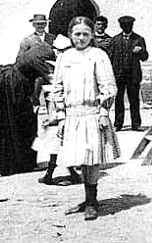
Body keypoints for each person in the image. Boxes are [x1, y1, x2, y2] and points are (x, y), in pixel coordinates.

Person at [54, 16, 120, 221]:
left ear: (92, 35)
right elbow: (57, 87)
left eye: (85, 34)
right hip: (73, 115)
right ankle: (87, 198)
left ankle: (92, 202)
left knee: (91, 159)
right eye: (77, 34)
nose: (81, 38)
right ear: (70, 35)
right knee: (80, 158)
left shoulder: (98, 55)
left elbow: (108, 86)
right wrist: (61, 116)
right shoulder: (64, 57)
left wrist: (103, 112)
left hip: (92, 114)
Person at [0, 42, 54, 176]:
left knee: (3, 119)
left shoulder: (40, 48)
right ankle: (21, 163)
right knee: (23, 121)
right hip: (15, 85)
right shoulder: (46, 56)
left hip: (5, 80)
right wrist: (35, 102)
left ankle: (2, 160)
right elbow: (42, 80)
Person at [109, 16, 149, 131]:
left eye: (129, 25)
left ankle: (136, 124)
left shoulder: (139, 39)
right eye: (124, 25)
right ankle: (118, 124)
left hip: (133, 75)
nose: (127, 27)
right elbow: (110, 58)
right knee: (118, 100)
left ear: (132, 25)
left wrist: (141, 51)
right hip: (119, 75)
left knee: (134, 100)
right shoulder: (115, 40)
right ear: (121, 26)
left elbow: (145, 57)